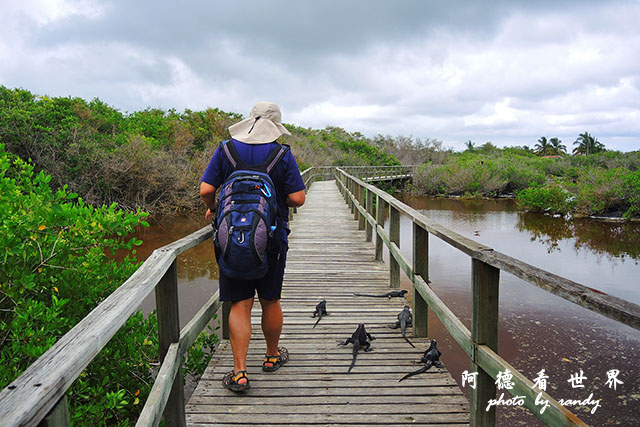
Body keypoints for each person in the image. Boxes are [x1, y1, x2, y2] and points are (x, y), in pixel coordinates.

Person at [200, 102, 306, 392]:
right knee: (270, 299)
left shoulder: (226, 150)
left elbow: (206, 190)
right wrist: (275, 202)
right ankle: (272, 357)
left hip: (232, 239)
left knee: (240, 303)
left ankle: (239, 373)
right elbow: (298, 198)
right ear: (275, 126)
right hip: (271, 239)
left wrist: (214, 208)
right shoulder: (281, 154)